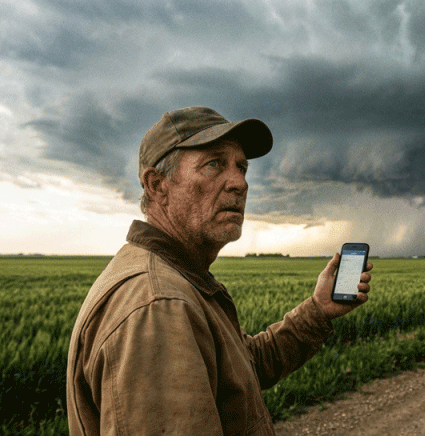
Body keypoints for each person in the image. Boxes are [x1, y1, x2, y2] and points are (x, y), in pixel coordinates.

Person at [66, 106, 372, 435]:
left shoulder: (181, 279)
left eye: (241, 167)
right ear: (157, 185)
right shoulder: (159, 307)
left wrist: (318, 310)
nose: (240, 183)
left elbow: (245, 367)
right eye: (214, 164)